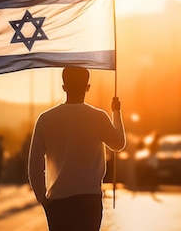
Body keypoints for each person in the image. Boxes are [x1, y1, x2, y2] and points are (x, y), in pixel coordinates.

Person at [28, 67, 126, 231]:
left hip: (59, 200)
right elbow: (118, 144)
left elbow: (35, 164)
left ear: (64, 87)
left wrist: (42, 199)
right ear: (87, 87)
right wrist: (116, 112)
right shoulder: (98, 117)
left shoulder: (46, 119)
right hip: (89, 198)